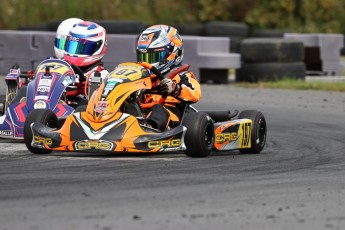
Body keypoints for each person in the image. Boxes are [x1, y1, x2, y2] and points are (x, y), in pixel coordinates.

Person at [136, 24, 201, 131]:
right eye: (144, 57)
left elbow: (195, 93)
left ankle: (150, 129)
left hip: (171, 116)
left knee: (158, 109)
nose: (148, 62)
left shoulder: (182, 75)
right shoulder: (141, 77)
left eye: (153, 57)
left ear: (173, 53)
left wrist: (175, 88)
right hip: (142, 113)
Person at [63, 21, 109, 103]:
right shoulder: (62, 68)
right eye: (72, 46)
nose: (75, 53)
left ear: (98, 46)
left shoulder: (102, 75)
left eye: (82, 47)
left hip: (80, 111)